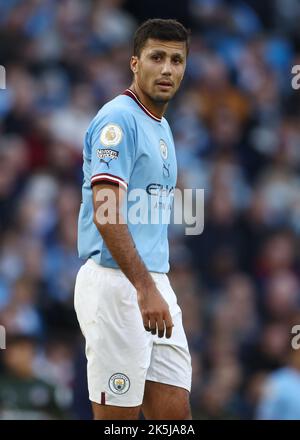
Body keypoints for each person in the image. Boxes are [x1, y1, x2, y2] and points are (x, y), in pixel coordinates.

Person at [74, 18, 192, 420]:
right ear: (134, 63)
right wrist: (143, 288)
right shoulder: (118, 121)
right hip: (118, 284)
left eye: (176, 60)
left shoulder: (161, 125)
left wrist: (152, 285)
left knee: (175, 414)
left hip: (153, 282)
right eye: (157, 57)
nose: (167, 69)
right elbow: (107, 214)